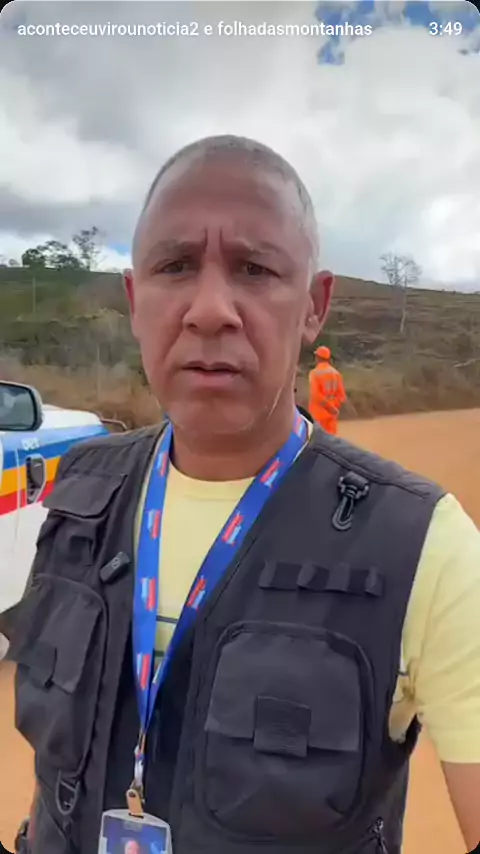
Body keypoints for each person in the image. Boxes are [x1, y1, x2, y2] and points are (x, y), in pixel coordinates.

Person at [3, 135, 480, 854]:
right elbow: (55, 770)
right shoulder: (80, 493)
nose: (209, 310)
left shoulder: (424, 547)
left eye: (255, 269)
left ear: (315, 306)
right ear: (135, 301)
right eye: (175, 266)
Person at [308, 344, 346, 434]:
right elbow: (341, 396)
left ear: (318, 358)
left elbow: (316, 395)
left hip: (318, 413)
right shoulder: (336, 373)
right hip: (332, 415)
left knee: (318, 438)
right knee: (331, 438)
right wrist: (333, 407)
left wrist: (329, 408)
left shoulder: (314, 373)